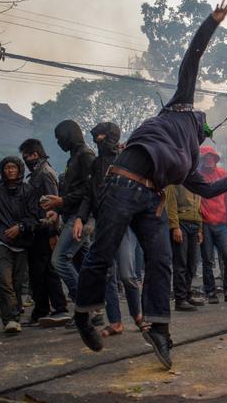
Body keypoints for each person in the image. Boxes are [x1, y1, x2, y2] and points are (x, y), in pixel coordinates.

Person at [72, 0, 227, 370]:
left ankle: (158, 328)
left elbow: (207, 190)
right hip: (122, 188)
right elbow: (192, 59)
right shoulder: (178, 108)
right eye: (204, 126)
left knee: (162, 261)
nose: (203, 130)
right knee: (102, 254)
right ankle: (85, 313)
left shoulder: (186, 160)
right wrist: (211, 22)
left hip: (150, 200)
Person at [73, 122, 143, 336]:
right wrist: (80, 218)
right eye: (96, 137)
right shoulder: (96, 164)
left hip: (122, 224)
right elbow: (89, 194)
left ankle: (138, 316)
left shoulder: (127, 160)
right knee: (107, 275)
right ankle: (115, 322)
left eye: (102, 136)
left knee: (127, 274)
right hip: (102, 224)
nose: (98, 140)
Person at [0, 157, 39, 333]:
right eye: (7, 167)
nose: (10, 170)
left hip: (21, 243)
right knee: (4, 281)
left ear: (19, 170)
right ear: (2, 171)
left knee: (17, 282)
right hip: (0, 242)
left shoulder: (29, 191)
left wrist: (20, 227)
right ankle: (11, 319)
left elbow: (34, 217)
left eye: (13, 167)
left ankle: (15, 313)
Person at [41, 120, 95, 307]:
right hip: (72, 214)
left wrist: (62, 201)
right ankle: (91, 307)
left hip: (81, 217)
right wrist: (57, 209)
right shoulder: (74, 157)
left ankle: (84, 303)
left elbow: (91, 189)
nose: (58, 143)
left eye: (59, 138)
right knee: (86, 264)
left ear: (68, 135)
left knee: (60, 259)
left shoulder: (85, 155)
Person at [19, 139, 70, 328]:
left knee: (44, 271)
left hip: (44, 228)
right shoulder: (37, 173)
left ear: (37, 153)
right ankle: (51, 308)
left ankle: (52, 309)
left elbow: (52, 204)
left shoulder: (45, 174)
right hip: (38, 228)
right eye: (25, 155)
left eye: (29, 154)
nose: (26, 158)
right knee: (43, 271)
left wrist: (52, 232)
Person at [198, 146, 227, 304]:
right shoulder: (197, 176)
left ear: (215, 159)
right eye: (206, 158)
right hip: (205, 223)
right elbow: (197, 201)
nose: (209, 161)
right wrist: (199, 227)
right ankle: (210, 292)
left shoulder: (222, 174)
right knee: (208, 259)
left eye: (212, 158)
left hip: (222, 223)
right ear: (201, 159)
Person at [166, 184, 204, 311]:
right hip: (181, 223)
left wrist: (200, 228)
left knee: (192, 264)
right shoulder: (175, 180)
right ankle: (180, 299)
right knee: (181, 263)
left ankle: (187, 294)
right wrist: (175, 226)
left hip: (194, 224)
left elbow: (199, 206)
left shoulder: (195, 180)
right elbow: (170, 203)